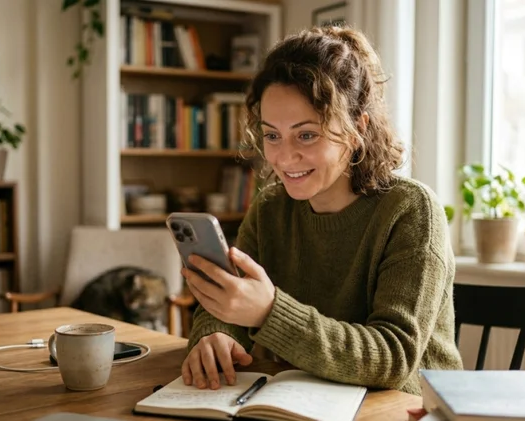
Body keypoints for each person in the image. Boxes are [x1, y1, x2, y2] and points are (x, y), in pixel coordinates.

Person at [180, 25, 464, 397]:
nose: (283, 156)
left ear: (356, 128)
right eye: (271, 135)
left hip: (406, 409)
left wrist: (269, 313)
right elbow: (230, 300)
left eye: (306, 134)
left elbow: (393, 360)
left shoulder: (411, 211)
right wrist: (214, 333)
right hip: (304, 399)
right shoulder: (270, 209)